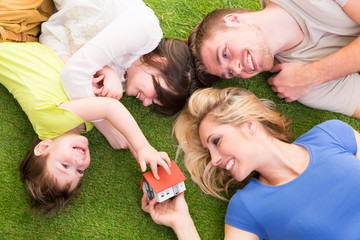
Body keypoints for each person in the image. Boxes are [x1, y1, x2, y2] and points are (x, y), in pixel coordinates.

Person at [0, 0, 178, 214]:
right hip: (31, 29)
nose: (78, 161)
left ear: (44, 147)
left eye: (65, 166)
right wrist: (146, 164)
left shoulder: (52, 122)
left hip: (8, 28)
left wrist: (143, 147)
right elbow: (118, 135)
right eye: (80, 170)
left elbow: (111, 109)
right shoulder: (83, 125)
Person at [142, 87, 360, 239]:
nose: (216, 160)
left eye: (216, 141)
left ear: (248, 124)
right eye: (210, 153)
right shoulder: (247, 207)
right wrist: (182, 222)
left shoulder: (332, 134)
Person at [188, 0, 360, 119]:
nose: (237, 68)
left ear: (234, 20)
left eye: (225, 54)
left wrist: (311, 75)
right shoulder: (300, 85)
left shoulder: (304, 80)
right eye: (231, 73)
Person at [40, 0, 195, 117]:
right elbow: (72, 74)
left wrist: (101, 69)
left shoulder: (121, 79)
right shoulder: (144, 30)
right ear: (159, 63)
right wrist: (106, 120)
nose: (146, 102)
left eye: (153, 103)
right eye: (155, 95)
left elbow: (49, 36)